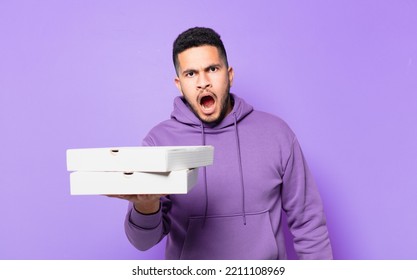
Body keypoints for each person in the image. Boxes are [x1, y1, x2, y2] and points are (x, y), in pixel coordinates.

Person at [115, 27, 333, 259]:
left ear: (229, 74)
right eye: (191, 74)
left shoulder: (277, 134)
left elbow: (309, 223)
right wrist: (146, 206)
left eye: (212, 69)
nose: (203, 82)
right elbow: (142, 242)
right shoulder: (159, 143)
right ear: (179, 84)